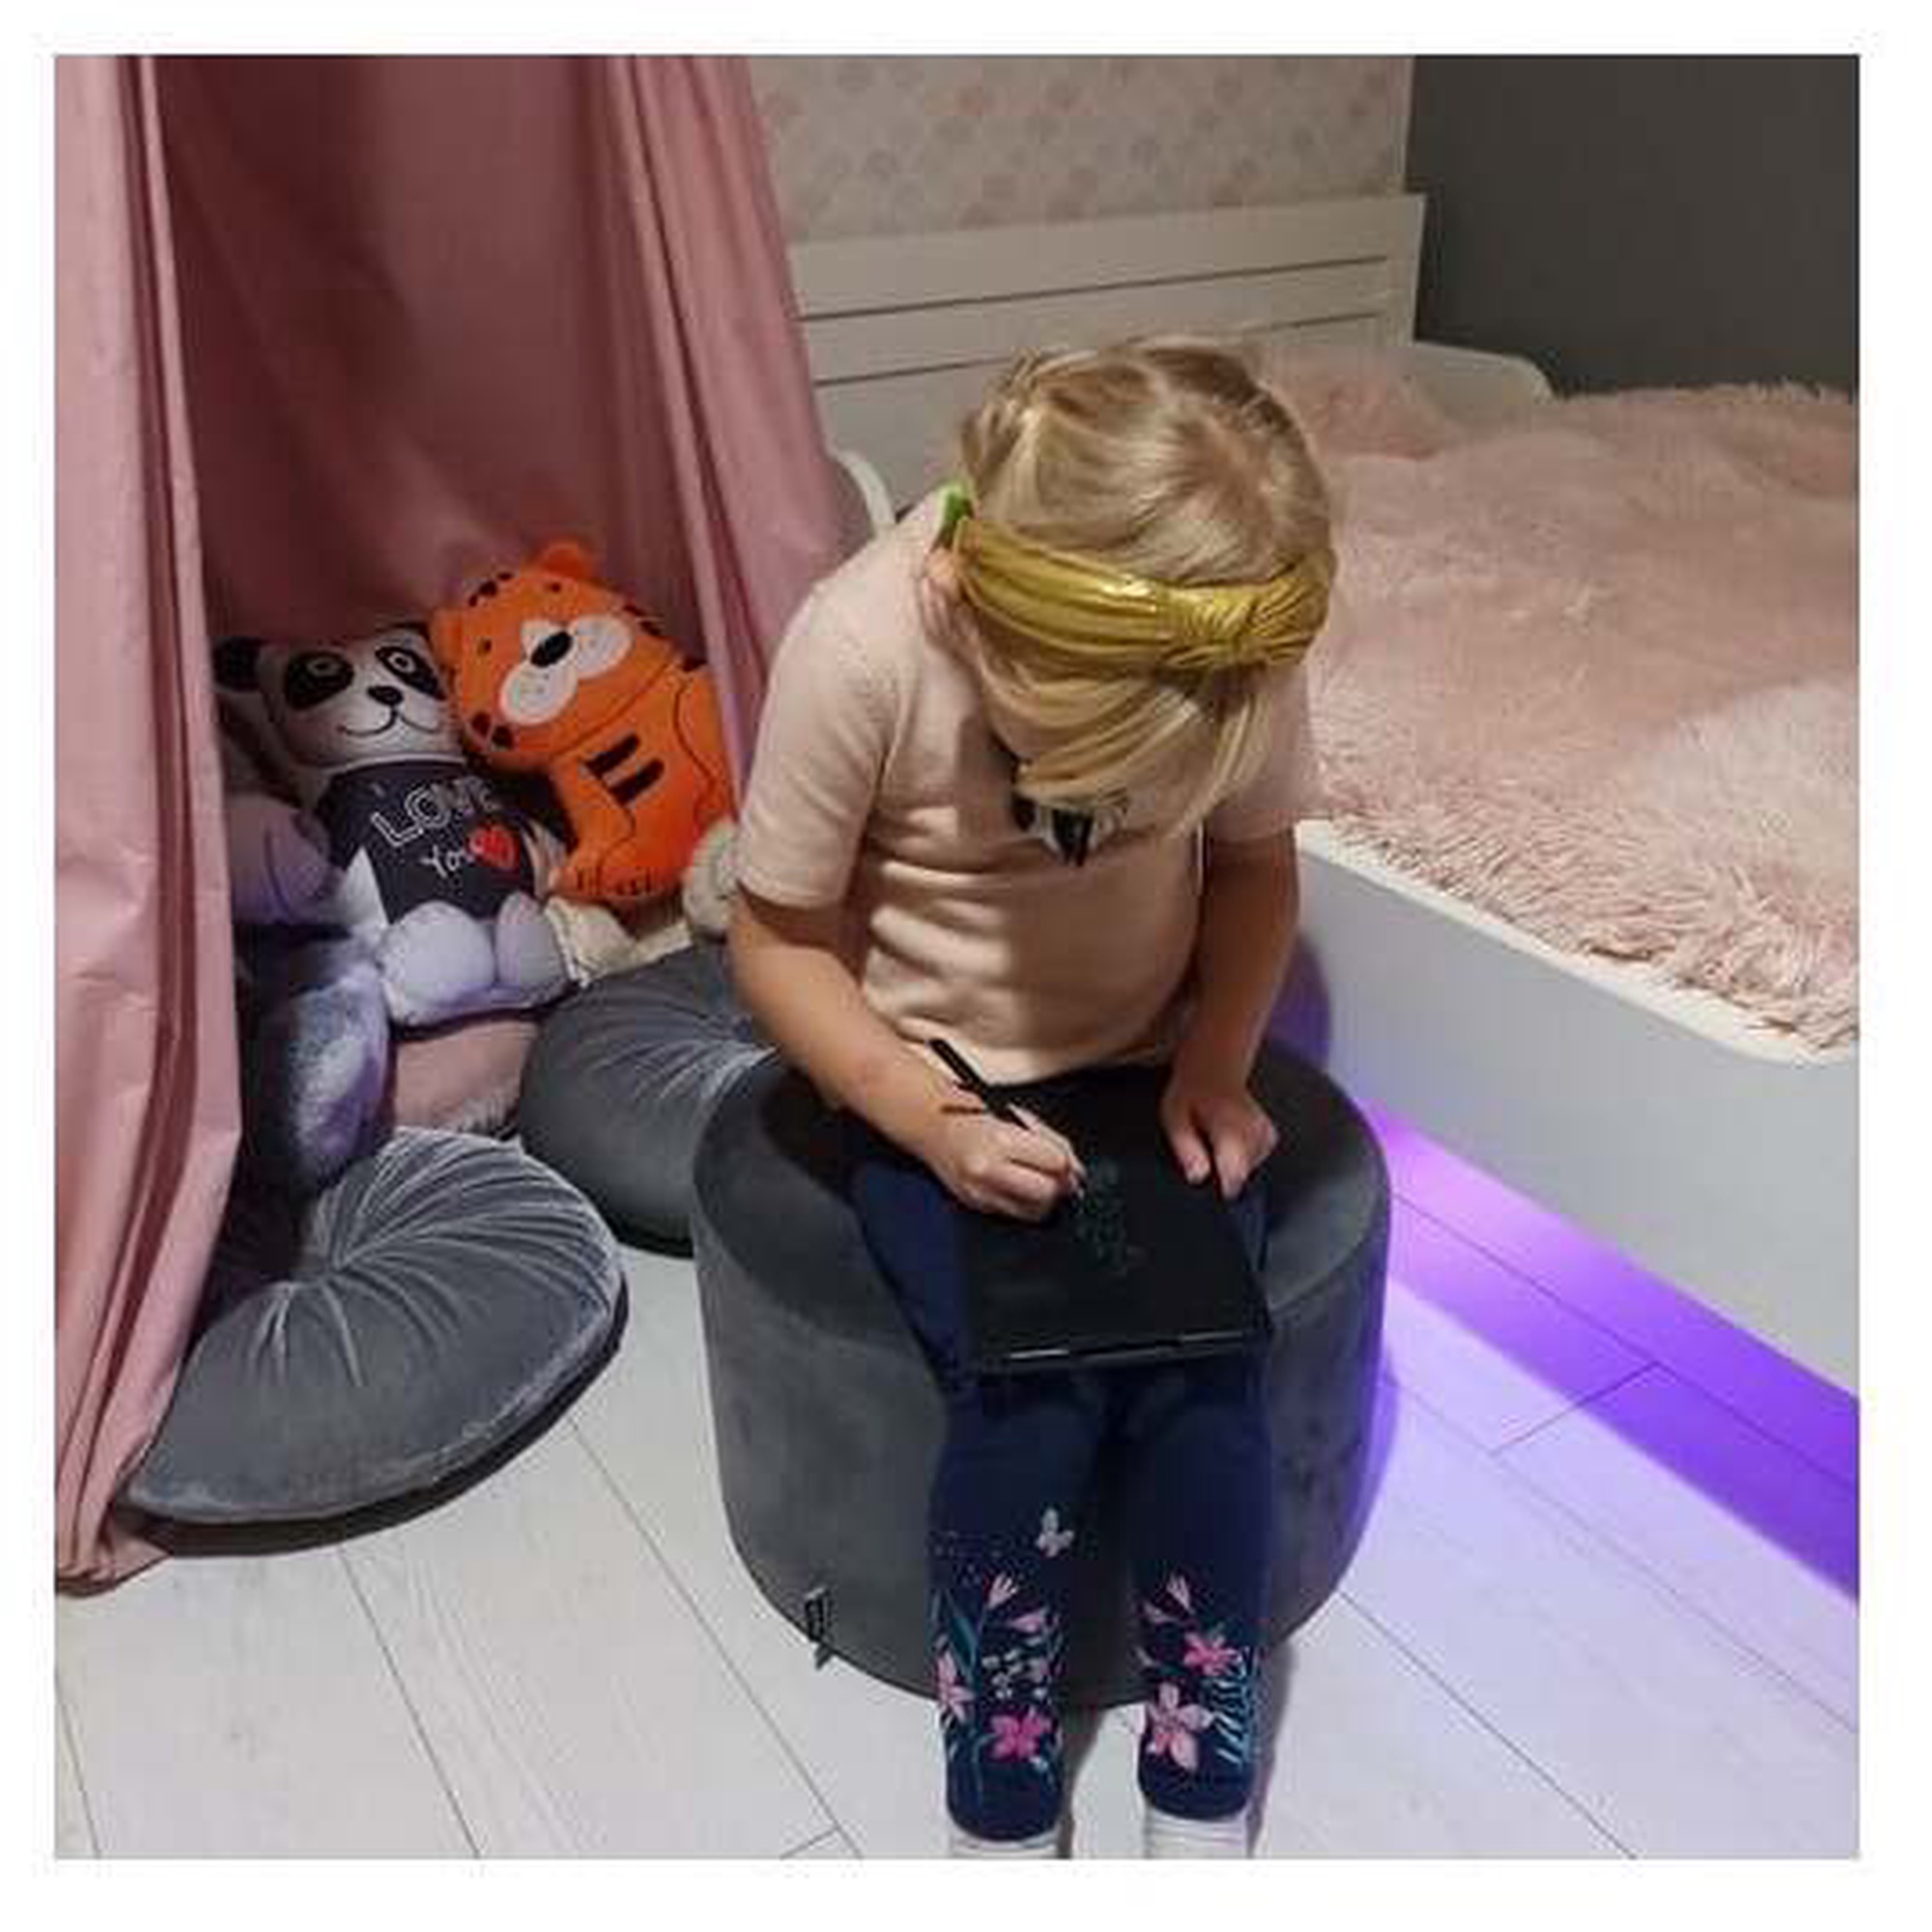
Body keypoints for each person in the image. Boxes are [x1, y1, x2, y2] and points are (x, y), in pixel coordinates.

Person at [728, 335, 1335, 1858]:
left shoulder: (1228, 640)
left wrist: (1216, 1060)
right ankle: (998, 1804)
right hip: (930, 1074)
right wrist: (920, 1116)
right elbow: (777, 938)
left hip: (1145, 1070)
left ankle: (1201, 1779)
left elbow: (1256, 870)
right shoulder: (861, 645)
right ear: (966, 600)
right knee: (1028, 1407)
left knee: (1210, 1391)